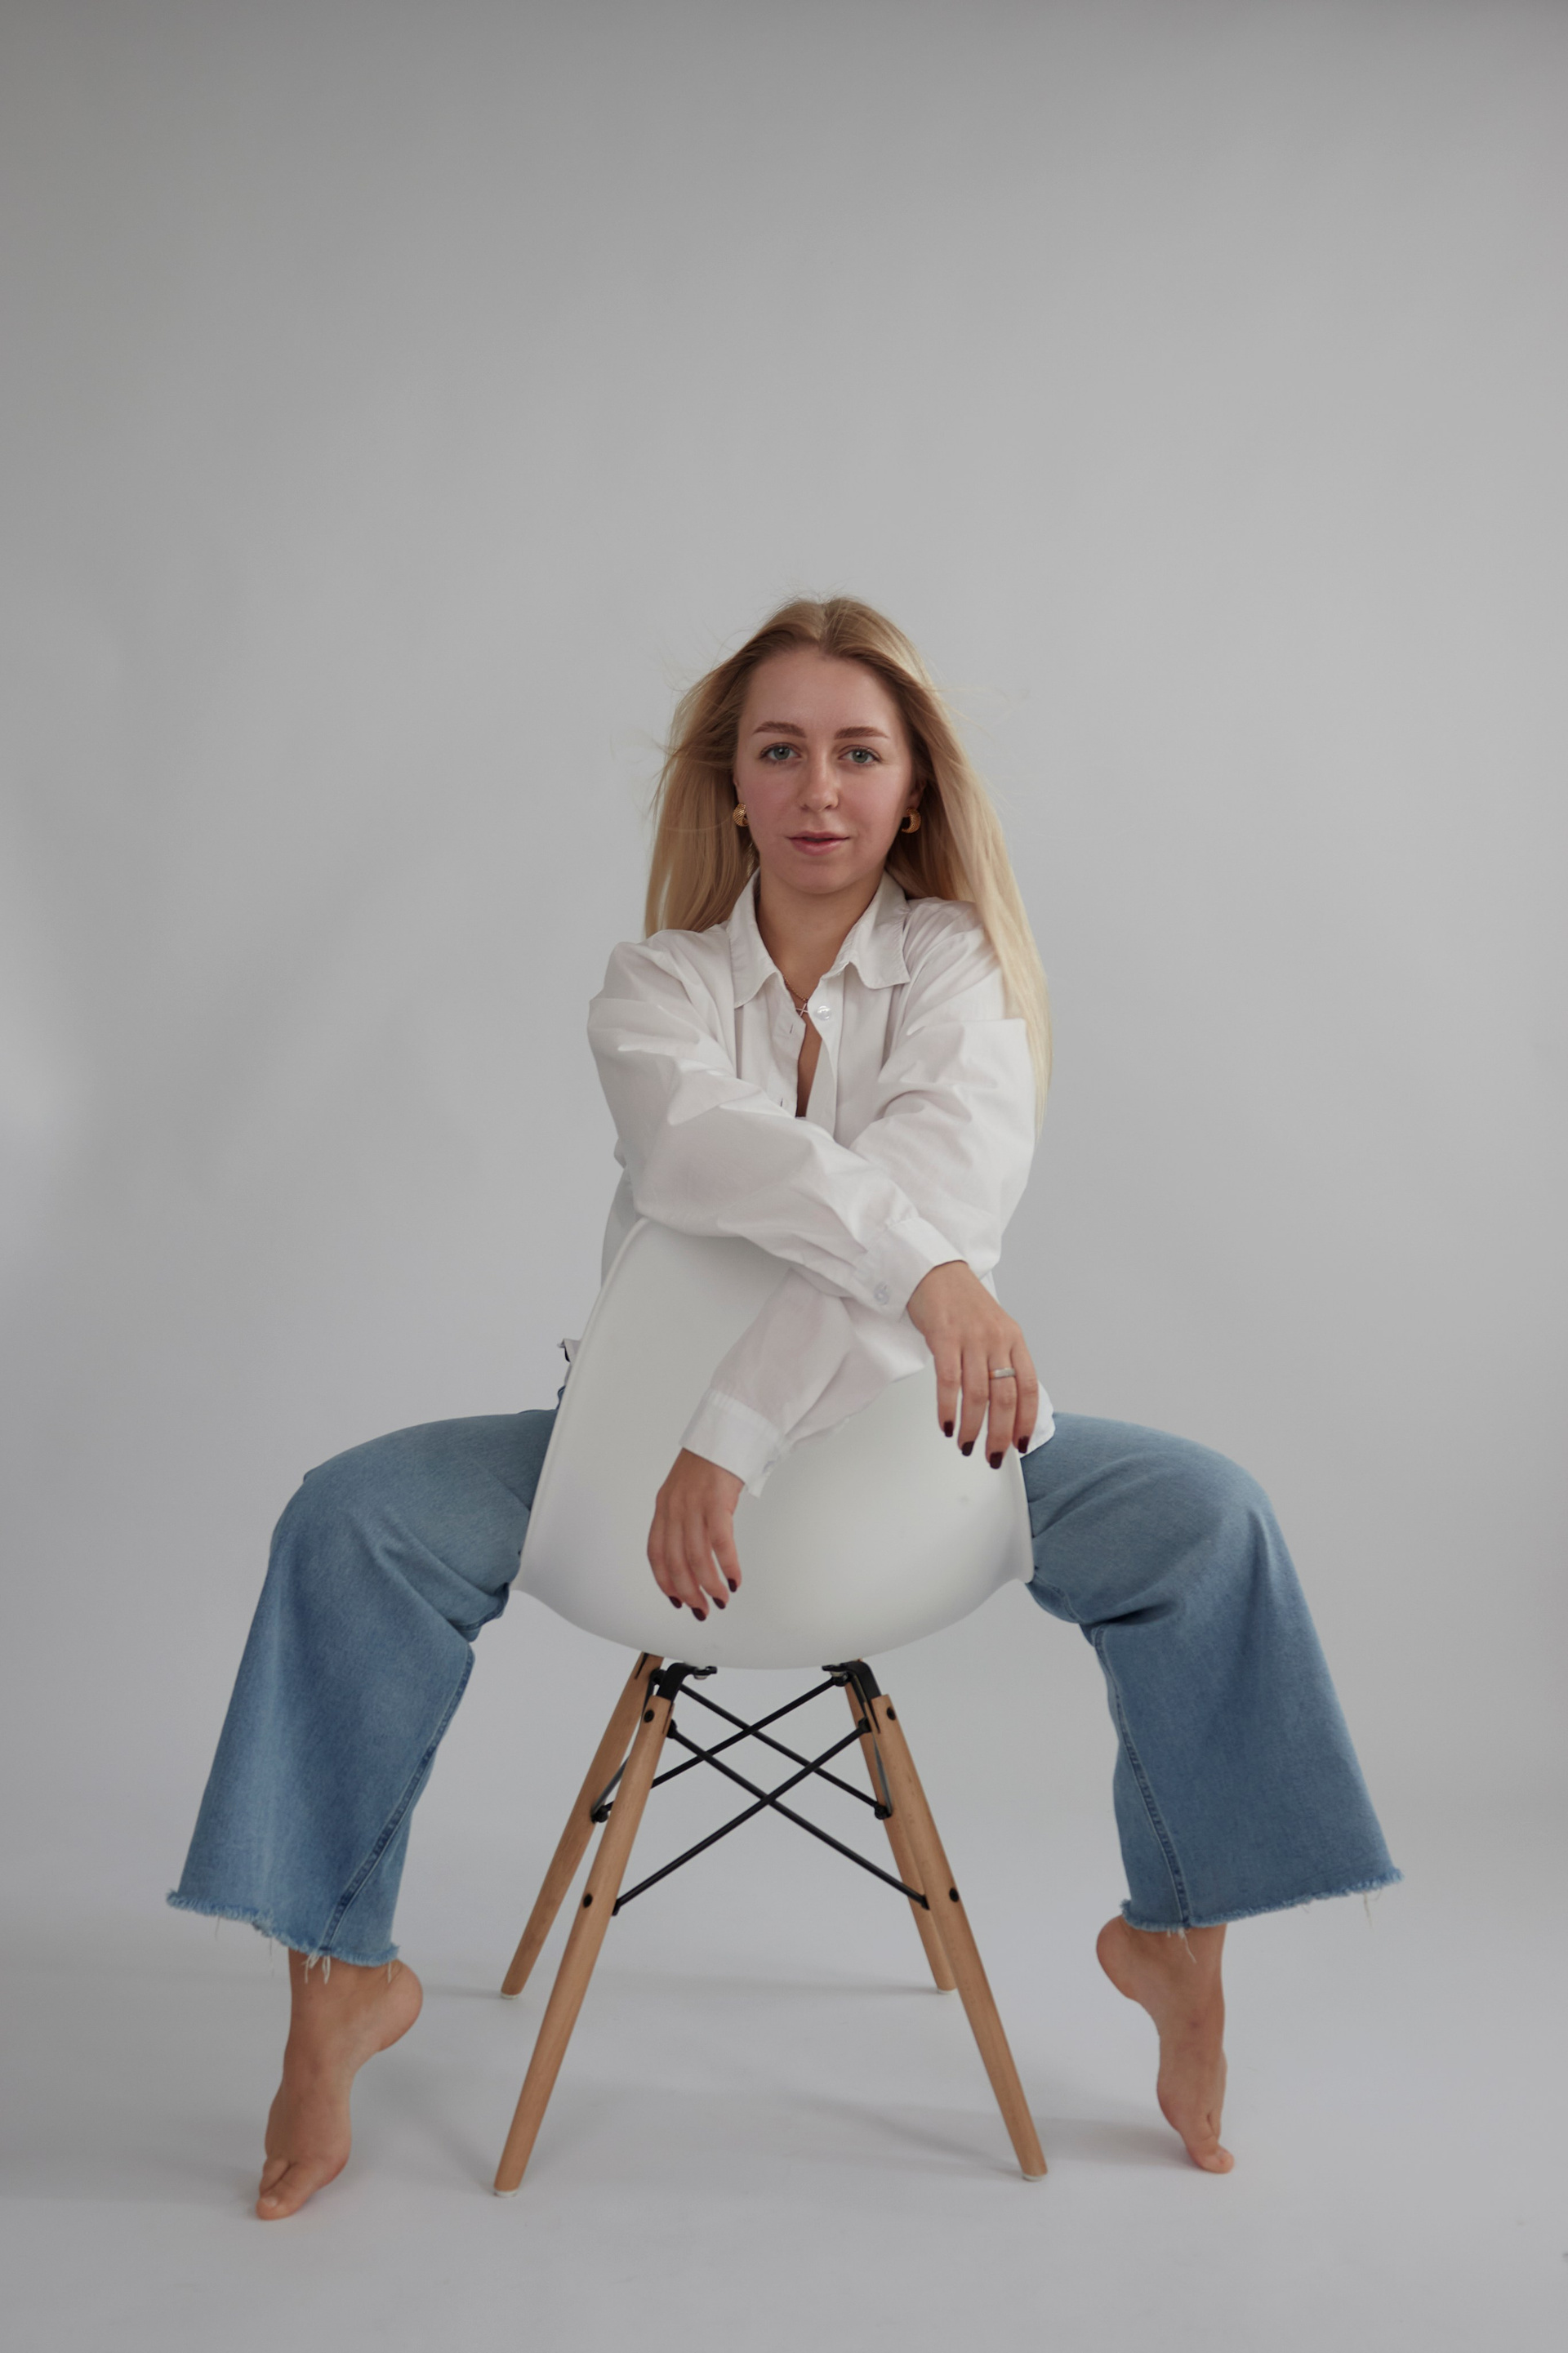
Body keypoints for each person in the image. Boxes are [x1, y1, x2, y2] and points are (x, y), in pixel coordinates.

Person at [169, 595, 1399, 2220]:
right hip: (633, 1483)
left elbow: (916, 1200)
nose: (821, 786)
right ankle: (334, 1977)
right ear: (731, 784)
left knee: (1212, 1519)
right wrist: (928, 1270)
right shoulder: (654, 989)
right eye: (781, 750)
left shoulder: (963, 971)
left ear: (915, 785)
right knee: (352, 1518)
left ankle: (1182, 1939)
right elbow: (719, 1164)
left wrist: (735, 1429)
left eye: (859, 752)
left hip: (920, 1470)